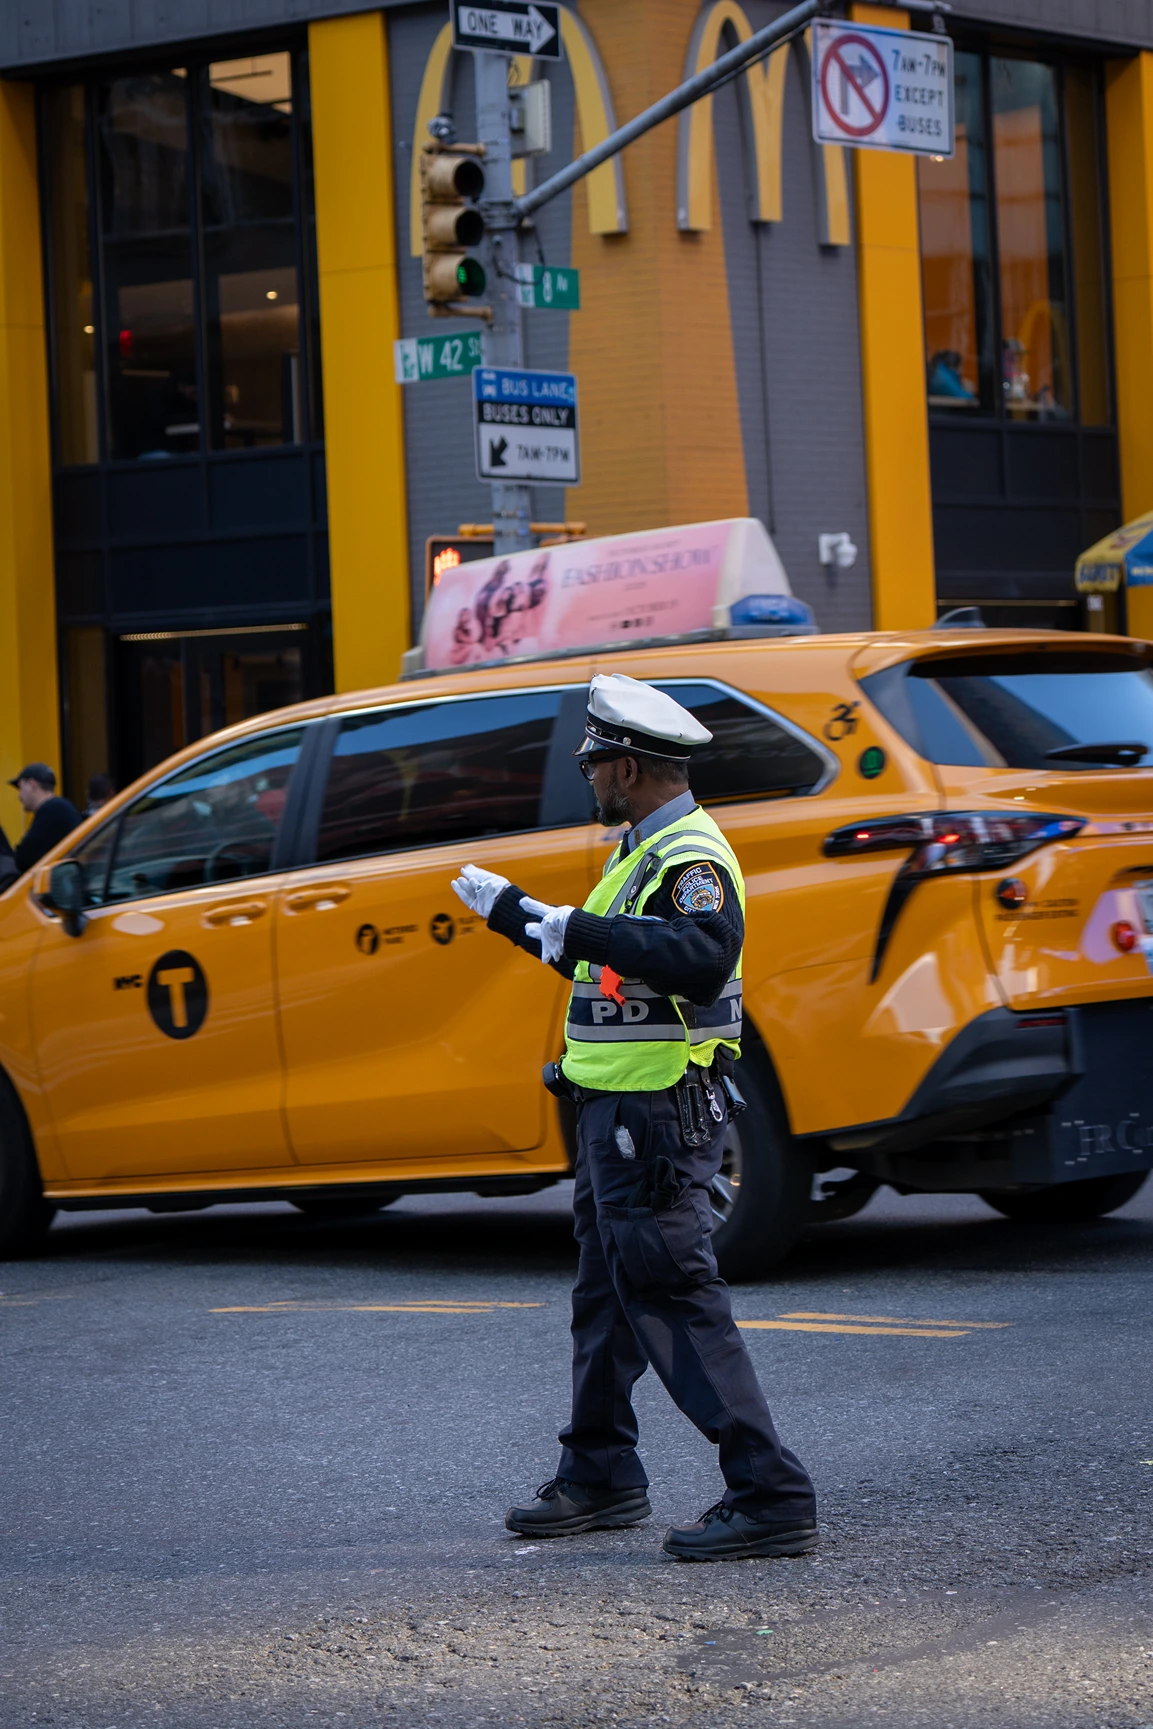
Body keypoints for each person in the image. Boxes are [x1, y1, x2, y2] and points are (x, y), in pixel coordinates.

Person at [451, 673, 817, 1562]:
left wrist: (570, 926)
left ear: (631, 765)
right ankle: (600, 1474)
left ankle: (769, 1493)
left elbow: (697, 954)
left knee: (673, 1297)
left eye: (595, 761)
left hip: (653, 1116)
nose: (587, 774)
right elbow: (612, 973)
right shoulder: (639, 851)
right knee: (607, 1300)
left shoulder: (689, 856)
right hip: (613, 1114)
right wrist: (519, 917)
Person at [8, 764, 81, 874]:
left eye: (20, 788)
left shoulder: (51, 810)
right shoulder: (59, 808)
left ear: (32, 785)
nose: (19, 796)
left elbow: (25, 858)